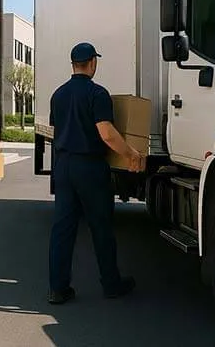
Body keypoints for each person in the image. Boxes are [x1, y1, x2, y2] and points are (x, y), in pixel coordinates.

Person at [47, 42, 145, 304]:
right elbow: (107, 134)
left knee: (63, 228)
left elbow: (57, 130)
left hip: (64, 166)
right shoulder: (98, 93)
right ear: (92, 63)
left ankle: (58, 288)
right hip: (89, 167)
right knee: (100, 226)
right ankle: (111, 284)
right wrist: (132, 154)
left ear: (73, 64)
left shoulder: (58, 94)